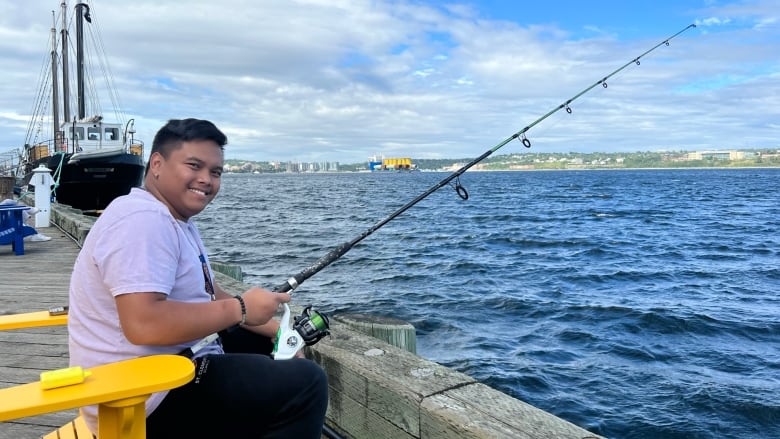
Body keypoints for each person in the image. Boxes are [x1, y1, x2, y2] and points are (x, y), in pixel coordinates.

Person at [68, 118, 328, 438]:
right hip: (140, 402)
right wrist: (241, 309)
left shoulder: (173, 219)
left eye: (215, 172)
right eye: (194, 165)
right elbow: (143, 323)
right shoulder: (143, 221)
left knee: (266, 346)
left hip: (162, 371)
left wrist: (276, 331)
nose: (206, 179)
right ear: (157, 164)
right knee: (307, 384)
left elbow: (211, 295)